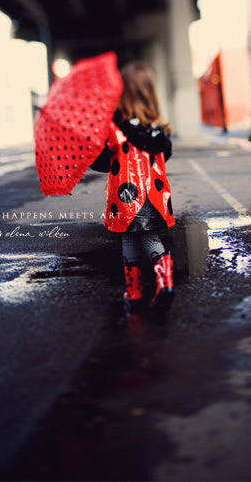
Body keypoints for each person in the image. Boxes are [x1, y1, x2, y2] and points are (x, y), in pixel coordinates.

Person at [90, 62, 175, 315]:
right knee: (151, 237)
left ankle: (133, 292)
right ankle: (165, 280)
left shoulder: (114, 128)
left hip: (126, 197)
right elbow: (164, 157)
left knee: (129, 240)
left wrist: (96, 146)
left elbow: (102, 163)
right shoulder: (158, 129)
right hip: (156, 196)